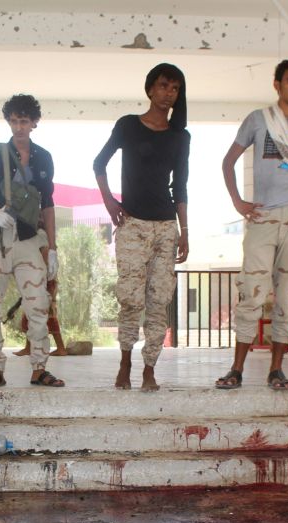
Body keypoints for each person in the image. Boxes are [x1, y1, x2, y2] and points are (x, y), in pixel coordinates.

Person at [215, 58, 288, 390]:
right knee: (251, 292)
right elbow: (228, 161)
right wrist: (238, 202)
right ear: (276, 84)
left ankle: (276, 369)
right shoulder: (258, 119)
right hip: (262, 217)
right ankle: (236, 369)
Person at [94, 63, 190, 392]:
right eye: (163, 86)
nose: (168, 93)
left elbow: (181, 186)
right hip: (132, 223)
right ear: (150, 89)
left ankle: (150, 368)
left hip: (166, 226)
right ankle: (125, 364)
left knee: (159, 300)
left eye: (175, 88)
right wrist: (109, 202)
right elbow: (99, 163)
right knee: (131, 299)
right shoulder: (128, 126)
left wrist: (185, 230)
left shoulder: (180, 137)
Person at [0, 94, 63, 388]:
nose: (19, 127)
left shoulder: (43, 157)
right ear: (8, 121)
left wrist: (53, 248)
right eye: (14, 120)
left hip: (29, 236)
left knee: (38, 303)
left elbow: (48, 204)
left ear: (34, 123)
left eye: (24, 121)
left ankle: (39, 368)